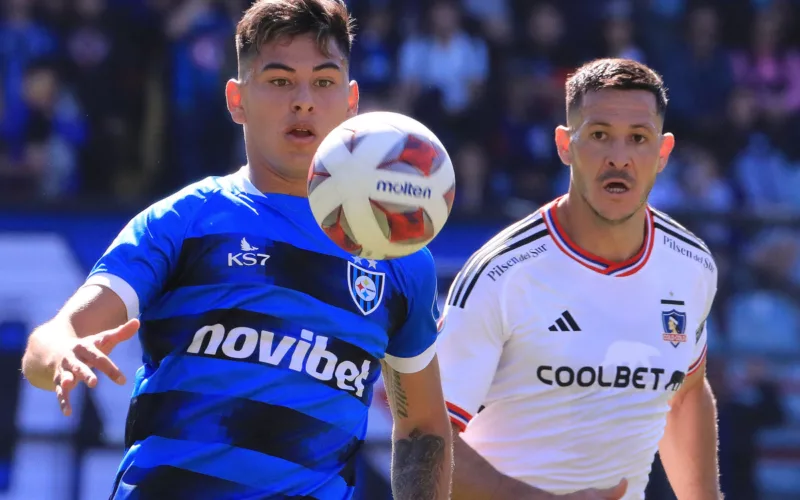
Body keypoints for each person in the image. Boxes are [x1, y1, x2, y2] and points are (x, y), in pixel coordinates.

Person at [20, 1, 453, 499]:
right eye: (279, 80)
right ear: (236, 99)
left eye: (325, 81)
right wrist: (59, 353)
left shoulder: (397, 253)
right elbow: (52, 338)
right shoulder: (187, 219)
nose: (304, 101)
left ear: (352, 101)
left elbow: (422, 427)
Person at [436, 58, 721, 500]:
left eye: (638, 139)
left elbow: (684, 397)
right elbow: (427, 435)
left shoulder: (691, 264)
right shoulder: (502, 274)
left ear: (663, 153)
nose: (619, 158)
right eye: (600, 135)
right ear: (565, 145)